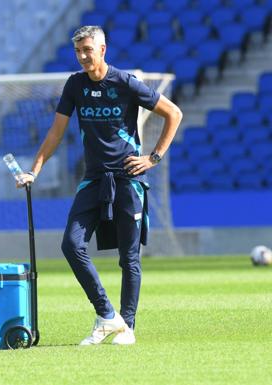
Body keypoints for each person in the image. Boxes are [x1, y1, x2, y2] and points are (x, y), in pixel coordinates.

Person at [16, 26, 182, 345]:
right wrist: (33, 170)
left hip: (128, 180)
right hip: (93, 179)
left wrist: (153, 157)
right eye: (78, 51)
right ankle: (108, 316)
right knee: (71, 244)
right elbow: (55, 133)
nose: (82, 57)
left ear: (102, 50)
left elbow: (173, 113)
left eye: (87, 50)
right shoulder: (75, 85)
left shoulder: (126, 83)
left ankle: (128, 327)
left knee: (128, 258)